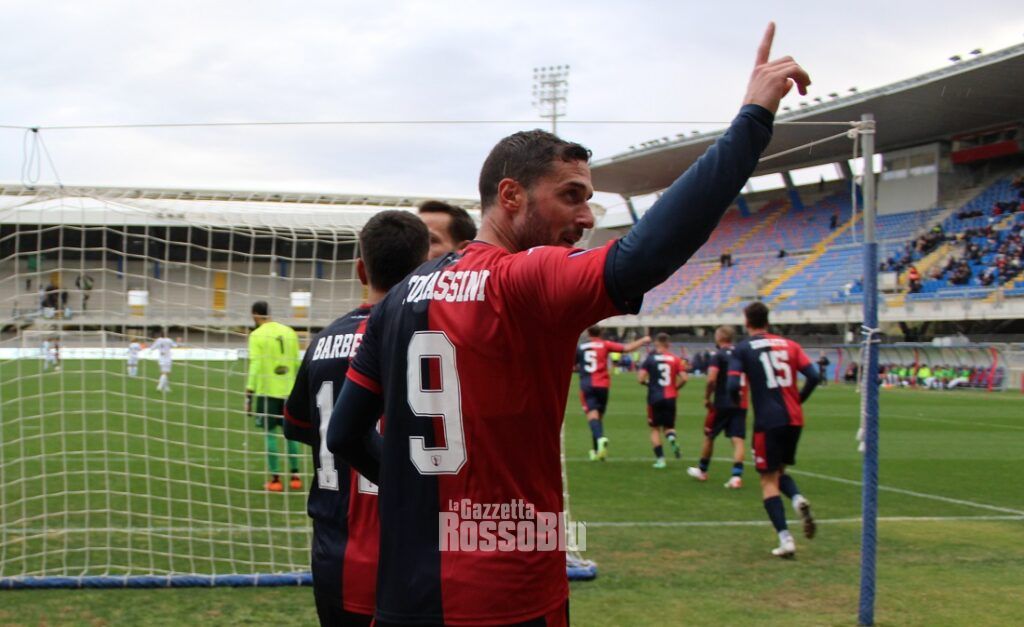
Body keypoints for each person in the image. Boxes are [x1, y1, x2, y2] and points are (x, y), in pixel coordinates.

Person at [329, 22, 808, 624]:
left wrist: (418, 505)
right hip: (507, 594)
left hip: (403, 595)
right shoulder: (521, 279)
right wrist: (753, 120)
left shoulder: (398, 299)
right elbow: (645, 255)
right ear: (511, 196)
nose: (586, 217)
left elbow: (344, 435)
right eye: (571, 196)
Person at [284, 211, 429, 627]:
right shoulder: (433, 336)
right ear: (425, 268)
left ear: (361, 270)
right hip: (416, 556)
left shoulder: (322, 341)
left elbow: (298, 426)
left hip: (336, 555)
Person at [728, 302, 819, 558]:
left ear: (747, 322)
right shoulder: (791, 345)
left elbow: (732, 384)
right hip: (794, 419)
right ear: (768, 320)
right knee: (778, 472)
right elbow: (813, 376)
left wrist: (735, 403)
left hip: (767, 420)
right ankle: (797, 499)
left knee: (768, 480)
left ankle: (785, 539)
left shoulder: (743, 348)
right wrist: (798, 400)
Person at [246, 301, 302, 492]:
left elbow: (255, 365)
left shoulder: (256, 335)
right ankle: (295, 477)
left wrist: (249, 392)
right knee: (291, 435)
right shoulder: (289, 332)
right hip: (289, 392)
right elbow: (296, 363)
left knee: (270, 434)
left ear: (255, 314)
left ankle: (276, 480)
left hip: (267, 393)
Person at [688, 326, 748, 488]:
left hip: (722, 402)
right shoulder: (742, 354)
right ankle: (736, 477)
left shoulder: (719, 355)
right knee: (738, 439)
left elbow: (711, 379)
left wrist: (707, 398)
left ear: (720, 337)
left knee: (710, 435)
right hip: (741, 401)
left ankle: (702, 470)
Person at [577, 327, 650, 460]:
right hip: (603, 385)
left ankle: (600, 439)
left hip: (587, 385)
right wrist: (643, 340)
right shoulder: (605, 344)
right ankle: (597, 452)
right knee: (599, 418)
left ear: (588, 333)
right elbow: (627, 348)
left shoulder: (581, 347)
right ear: (601, 333)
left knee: (592, 416)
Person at [637, 333, 686, 468]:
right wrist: (675, 388)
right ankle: (671, 438)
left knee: (654, 429)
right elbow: (684, 378)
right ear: (668, 344)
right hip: (671, 397)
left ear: (656, 343)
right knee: (669, 427)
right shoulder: (675, 359)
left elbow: (640, 378)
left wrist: (648, 384)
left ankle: (660, 460)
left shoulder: (650, 359)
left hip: (655, 397)